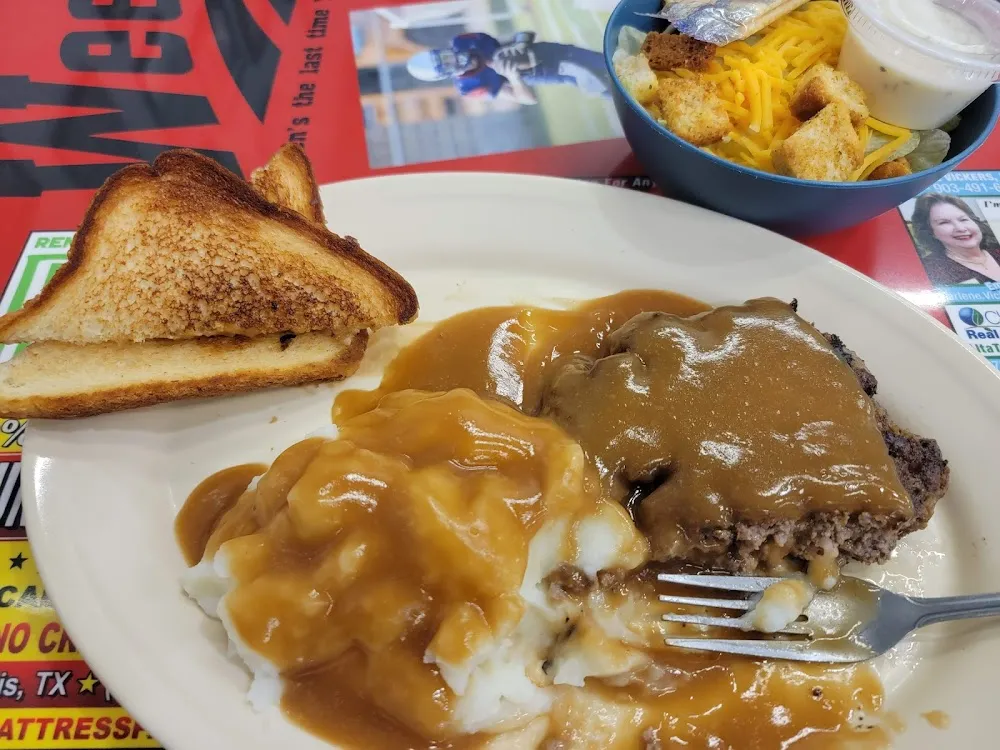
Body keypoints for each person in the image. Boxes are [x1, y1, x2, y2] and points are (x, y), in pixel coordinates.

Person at [405, 31, 611, 105]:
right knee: (607, 85)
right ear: (446, 75)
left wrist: (520, 44)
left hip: (549, 51)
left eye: (445, 56)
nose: (453, 59)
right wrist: (513, 77)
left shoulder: (462, 41)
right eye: (447, 64)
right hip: (550, 71)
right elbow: (528, 100)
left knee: (607, 62)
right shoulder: (469, 87)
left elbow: (523, 35)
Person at [911, 194, 1000, 286]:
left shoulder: (997, 251)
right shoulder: (928, 270)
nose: (960, 228)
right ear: (930, 232)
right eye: (944, 222)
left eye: (963, 219)